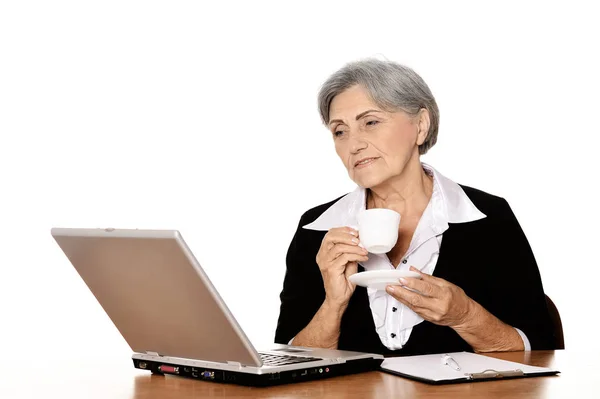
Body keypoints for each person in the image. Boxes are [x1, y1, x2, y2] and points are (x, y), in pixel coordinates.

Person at [274, 59, 557, 355]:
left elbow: (539, 351)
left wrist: (465, 316)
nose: (353, 144)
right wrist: (333, 305)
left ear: (421, 126)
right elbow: (285, 364)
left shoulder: (488, 217)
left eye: (370, 122)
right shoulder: (318, 228)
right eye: (340, 131)